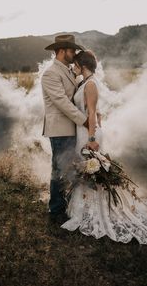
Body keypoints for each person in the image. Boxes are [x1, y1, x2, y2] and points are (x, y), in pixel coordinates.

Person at [61, 50, 147, 245]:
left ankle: (95, 209)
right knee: (84, 168)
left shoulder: (90, 84)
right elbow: (94, 112)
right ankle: (83, 206)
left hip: (88, 134)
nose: (74, 67)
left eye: (76, 65)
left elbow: (93, 110)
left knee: (90, 169)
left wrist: (92, 137)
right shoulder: (85, 83)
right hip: (84, 131)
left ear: (83, 66)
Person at [41, 34, 100, 224]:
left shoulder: (67, 71)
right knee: (59, 169)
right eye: (71, 50)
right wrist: (85, 121)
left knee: (71, 168)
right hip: (60, 129)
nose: (74, 53)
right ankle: (56, 210)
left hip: (73, 128)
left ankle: (69, 204)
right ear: (61, 51)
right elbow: (62, 102)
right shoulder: (51, 73)